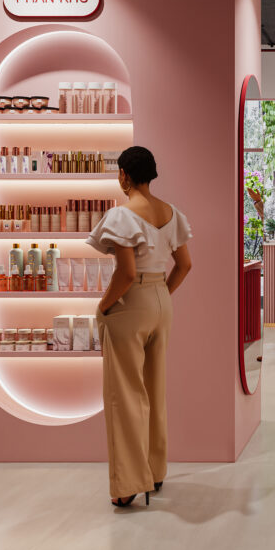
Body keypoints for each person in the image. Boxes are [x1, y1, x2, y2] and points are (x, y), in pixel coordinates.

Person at [87, 146, 193, 508]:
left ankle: (128, 483)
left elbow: (127, 272)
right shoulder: (171, 212)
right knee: (154, 388)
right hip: (162, 301)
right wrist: (160, 294)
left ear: (124, 175)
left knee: (124, 395)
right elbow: (185, 265)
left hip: (131, 305)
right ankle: (155, 470)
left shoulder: (122, 215)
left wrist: (104, 305)